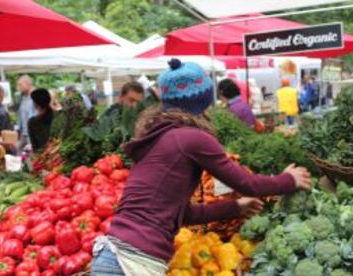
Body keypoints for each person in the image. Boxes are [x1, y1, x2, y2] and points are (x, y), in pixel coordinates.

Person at [91, 59, 311, 276]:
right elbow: (247, 183)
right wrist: (288, 180)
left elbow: (181, 214)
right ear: (204, 98)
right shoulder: (192, 138)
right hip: (133, 263)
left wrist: (236, 207)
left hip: (114, 257)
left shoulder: (159, 136)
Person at [16, 75, 37, 150]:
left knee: (32, 155)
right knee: (18, 152)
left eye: (20, 85)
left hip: (33, 133)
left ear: (28, 83)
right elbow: (21, 114)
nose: (18, 87)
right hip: (23, 133)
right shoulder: (23, 97)